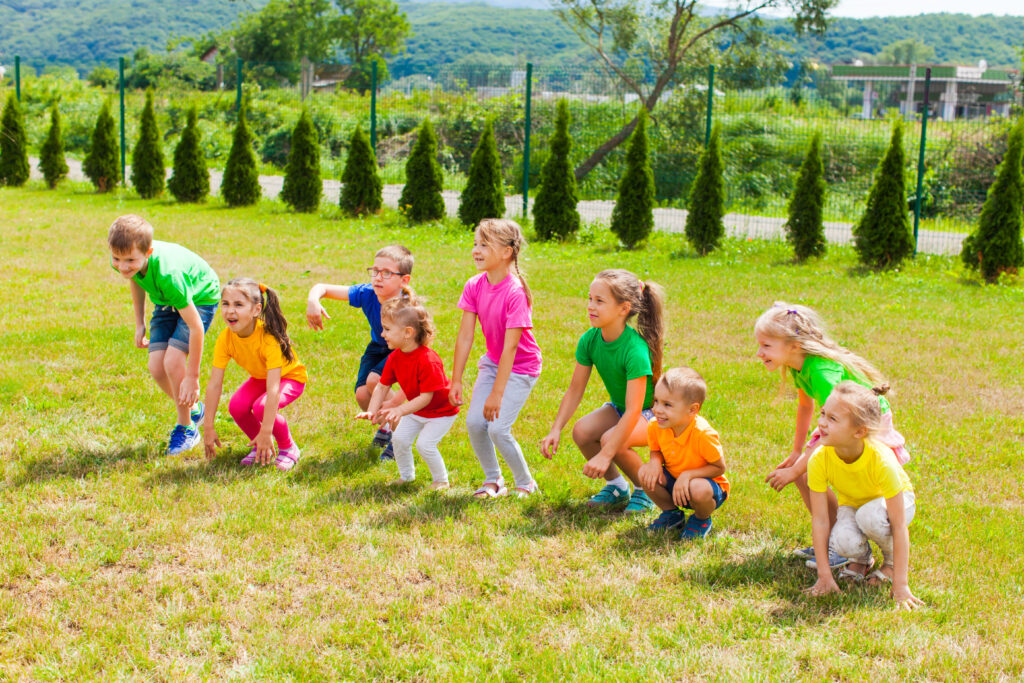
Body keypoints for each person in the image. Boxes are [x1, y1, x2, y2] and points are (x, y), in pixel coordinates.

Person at [754, 302, 909, 568]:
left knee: (861, 479)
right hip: (839, 421)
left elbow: (829, 433)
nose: (759, 353)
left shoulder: (821, 372)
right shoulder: (798, 366)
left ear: (793, 345)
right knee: (802, 468)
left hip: (865, 423)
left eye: (766, 345)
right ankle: (836, 541)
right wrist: (796, 453)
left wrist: (795, 470)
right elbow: (806, 406)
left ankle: (865, 549)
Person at [540, 269, 664, 513]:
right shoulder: (590, 339)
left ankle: (645, 489)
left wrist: (606, 454)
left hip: (651, 415)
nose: (590, 306)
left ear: (623, 308)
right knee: (582, 431)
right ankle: (617, 486)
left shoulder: (634, 350)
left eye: (599, 301)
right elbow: (575, 390)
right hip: (622, 408)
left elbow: (635, 410)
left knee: (611, 440)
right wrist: (556, 429)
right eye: (589, 299)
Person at [804, 382, 923, 610]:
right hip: (856, 506)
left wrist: (901, 586)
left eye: (833, 419)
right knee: (841, 540)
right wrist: (824, 575)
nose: (821, 423)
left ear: (859, 432)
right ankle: (862, 559)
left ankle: (889, 564)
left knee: (869, 517)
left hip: (895, 505)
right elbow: (820, 520)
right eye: (822, 414)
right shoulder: (819, 458)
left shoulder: (881, 459)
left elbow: (899, 526)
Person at [107, 214, 219, 455]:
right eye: (117, 258)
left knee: (173, 360)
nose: (122, 266)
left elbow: (196, 327)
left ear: (148, 252)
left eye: (129, 260)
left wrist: (193, 376)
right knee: (157, 366)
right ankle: (194, 410)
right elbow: (136, 279)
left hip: (199, 299)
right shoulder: (124, 259)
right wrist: (139, 322)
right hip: (166, 301)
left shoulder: (170, 276)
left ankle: (186, 427)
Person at [450, 219, 542, 498]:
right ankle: (494, 480)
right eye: (475, 244)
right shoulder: (474, 285)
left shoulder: (516, 292)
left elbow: (512, 349)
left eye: (484, 244)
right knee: (475, 423)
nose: (476, 250)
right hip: (493, 362)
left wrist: (497, 394)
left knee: (498, 428)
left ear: (506, 252)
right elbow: (466, 336)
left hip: (522, 367)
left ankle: (526, 483)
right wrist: (456, 380)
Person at [306, 245, 413, 461]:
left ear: (404, 280)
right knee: (362, 394)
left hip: (405, 348)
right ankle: (386, 428)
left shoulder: (408, 307)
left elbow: (418, 344)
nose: (378, 278)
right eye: (374, 271)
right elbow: (321, 287)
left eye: (386, 273)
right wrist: (313, 301)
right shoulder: (367, 293)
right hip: (378, 346)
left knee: (375, 381)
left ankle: (402, 436)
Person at [356, 291, 458, 490]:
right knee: (400, 439)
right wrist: (372, 410)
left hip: (440, 413)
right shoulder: (395, 357)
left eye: (386, 329)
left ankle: (441, 480)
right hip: (417, 410)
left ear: (407, 333)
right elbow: (382, 385)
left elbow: (426, 397)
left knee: (425, 445)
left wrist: (399, 410)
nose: (382, 334)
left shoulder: (428, 359)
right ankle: (407, 476)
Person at [202, 278, 307, 471]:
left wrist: (267, 430)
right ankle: (259, 445)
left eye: (239, 305)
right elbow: (214, 384)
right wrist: (208, 426)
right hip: (261, 378)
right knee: (237, 406)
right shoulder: (225, 338)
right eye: (225, 304)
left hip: (290, 378)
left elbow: (274, 388)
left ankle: (288, 447)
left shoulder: (269, 338)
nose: (230, 311)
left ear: (256, 310)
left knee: (262, 407)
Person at [637, 367, 729, 539]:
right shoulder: (656, 425)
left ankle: (701, 519)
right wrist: (655, 463)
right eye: (656, 401)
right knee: (645, 472)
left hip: (706, 488)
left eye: (667, 404)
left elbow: (719, 467)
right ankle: (672, 514)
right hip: (674, 482)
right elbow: (655, 450)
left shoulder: (703, 434)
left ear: (692, 410)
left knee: (698, 488)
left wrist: (688, 476)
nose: (657, 409)